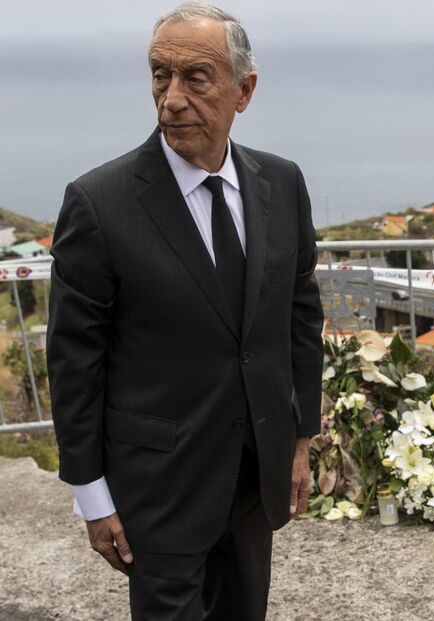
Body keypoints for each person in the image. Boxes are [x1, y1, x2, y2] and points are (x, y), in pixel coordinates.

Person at [47, 3, 324, 619]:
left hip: (255, 480)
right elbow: (74, 363)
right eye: (158, 75)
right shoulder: (99, 203)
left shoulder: (283, 183)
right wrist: (92, 497)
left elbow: (300, 315)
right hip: (158, 490)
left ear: (244, 90)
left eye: (195, 78)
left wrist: (300, 437)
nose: (170, 99)